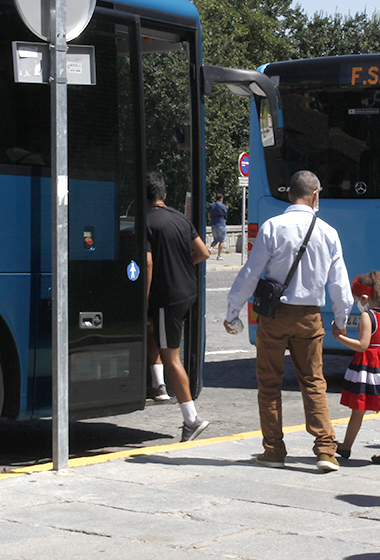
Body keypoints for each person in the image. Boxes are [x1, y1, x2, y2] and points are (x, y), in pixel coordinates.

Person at [224, 170, 352, 472]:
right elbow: (340, 285)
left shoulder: (272, 227)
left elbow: (250, 274)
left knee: (269, 384)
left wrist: (233, 312)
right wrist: (342, 320)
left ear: (289, 193)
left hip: (274, 315)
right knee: (314, 382)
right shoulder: (328, 232)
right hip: (309, 317)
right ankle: (325, 449)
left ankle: (273, 449)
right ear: (315, 195)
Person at [145, 171, 212, 442]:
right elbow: (204, 252)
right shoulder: (180, 219)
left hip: (167, 298)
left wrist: (144, 302)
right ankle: (157, 384)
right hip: (187, 293)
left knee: (171, 356)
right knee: (164, 344)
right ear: (163, 193)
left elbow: (147, 264)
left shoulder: (147, 223)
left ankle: (191, 418)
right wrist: (182, 264)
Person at [334, 271, 380, 466]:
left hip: (369, 368)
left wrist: (339, 337)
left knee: (358, 409)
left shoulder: (368, 316)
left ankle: (346, 446)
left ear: (365, 297)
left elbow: (363, 345)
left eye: (357, 298)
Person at [208, 193, 228, 260]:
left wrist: (211, 220)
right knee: (222, 240)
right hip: (221, 224)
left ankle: (210, 249)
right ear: (221, 199)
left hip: (214, 224)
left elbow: (209, 215)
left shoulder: (211, 206)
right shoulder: (222, 206)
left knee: (215, 240)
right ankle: (219, 256)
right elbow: (226, 214)